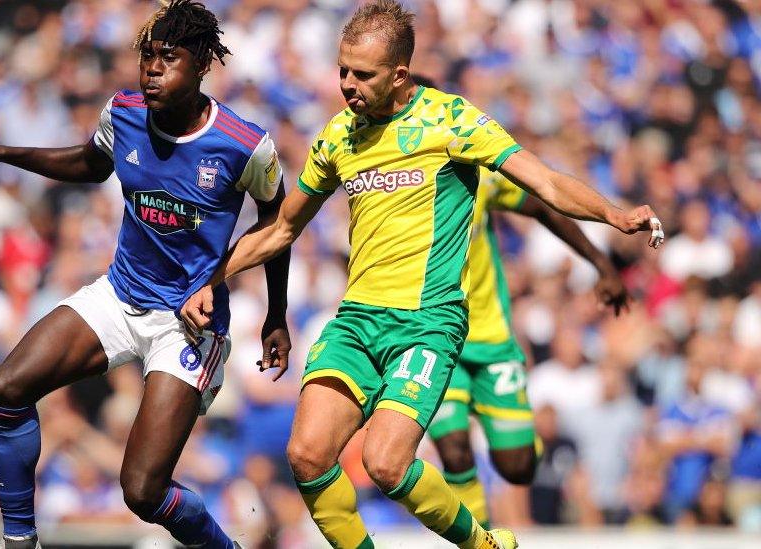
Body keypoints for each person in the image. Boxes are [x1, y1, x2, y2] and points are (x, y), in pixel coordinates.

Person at [181, 2, 664, 547]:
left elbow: (545, 183)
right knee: (307, 455)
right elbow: (282, 229)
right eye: (342, 70)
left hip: (427, 323)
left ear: (399, 75)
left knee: (385, 464)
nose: (347, 84)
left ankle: (481, 543)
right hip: (356, 324)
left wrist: (614, 216)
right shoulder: (339, 136)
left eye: (362, 74)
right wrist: (211, 279)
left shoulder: (451, 120)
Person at [0, 2, 290, 548]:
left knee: (142, 491)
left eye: (168, 59)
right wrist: (2, 153)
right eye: (147, 57)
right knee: (7, 387)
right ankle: (19, 543)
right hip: (120, 294)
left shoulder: (244, 145)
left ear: (202, 64)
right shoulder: (124, 111)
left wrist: (275, 314)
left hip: (186, 325)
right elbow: (91, 163)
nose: (151, 70)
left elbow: (278, 223)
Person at [423, 162, 629, 528]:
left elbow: (540, 206)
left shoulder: (479, 177)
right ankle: (478, 536)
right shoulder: (397, 185)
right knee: (454, 449)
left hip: (491, 338)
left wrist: (600, 263)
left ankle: (517, 442)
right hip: (435, 339)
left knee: (517, 467)